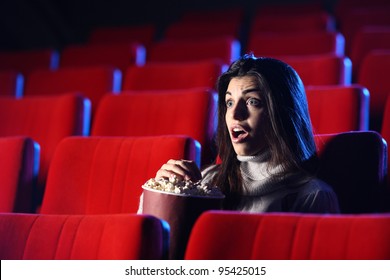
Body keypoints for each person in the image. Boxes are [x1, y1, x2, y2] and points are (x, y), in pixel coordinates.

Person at [143, 54, 340, 213]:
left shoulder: (313, 195)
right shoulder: (205, 181)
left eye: (252, 101)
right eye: (229, 103)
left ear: (282, 113)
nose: (235, 115)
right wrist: (160, 196)